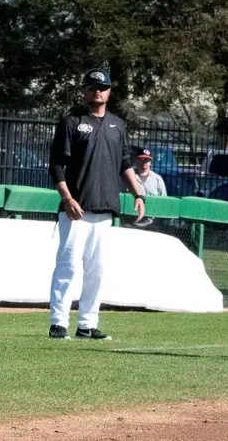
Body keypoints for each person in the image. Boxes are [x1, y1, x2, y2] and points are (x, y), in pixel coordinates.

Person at [46, 68, 146, 341]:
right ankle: (58, 323)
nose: (97, 91)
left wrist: (139, 194)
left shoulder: (117, 124)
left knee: (98, 270)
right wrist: (66, 198)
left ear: (110, 91)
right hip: (75, 209)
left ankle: (87, 324)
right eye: (91, 87)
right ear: (84, 91)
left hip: (104, 209)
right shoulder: (71, 122)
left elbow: (125, 164)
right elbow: (56, 165)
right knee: (69, 267)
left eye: (102, 87)